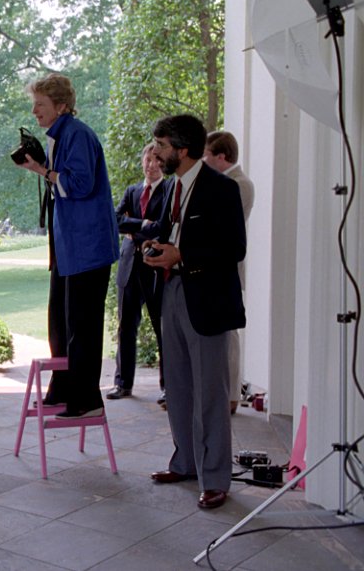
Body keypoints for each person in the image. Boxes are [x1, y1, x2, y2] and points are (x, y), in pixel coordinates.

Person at [143, 114, 246, 510]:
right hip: (173, 292)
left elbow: (234, 248)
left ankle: (216, 478)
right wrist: (157, 247)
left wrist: (183, 254)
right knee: (180, 387)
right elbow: (176, 233)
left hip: (208, 301)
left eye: (162, 145)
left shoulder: (223, 189)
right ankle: (184, 462)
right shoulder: (171, 187)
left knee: (210, 394)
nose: (155, 152)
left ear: (183, 150)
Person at [15, 73, 119, 419]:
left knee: (83, 326)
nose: (34, 111)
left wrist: (43, 172)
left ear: (61, 106)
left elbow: (79, 184)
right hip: (68, 246)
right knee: (60, 323)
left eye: (40, 105)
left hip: (88, 247)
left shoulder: (77, 134)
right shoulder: (58, 137)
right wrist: (40, 168)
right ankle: (62, 389)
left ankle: (87, 399)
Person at [109, 144, 167, 402]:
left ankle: (169, 388)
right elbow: (115, 219)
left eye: (157, 160)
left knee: (162, 329)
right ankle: (123, 384)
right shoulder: (132, 191)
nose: (151, 164)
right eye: (147, 158)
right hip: (130, 266)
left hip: (156, 269)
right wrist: (144, 224)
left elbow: (162, 228)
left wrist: (137, 229)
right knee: (126, 327)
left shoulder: (170, 191)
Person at [203, 131, 255, 414]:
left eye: (207, 155)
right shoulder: (226, 183)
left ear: (221, 157)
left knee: (228, 334)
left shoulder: (240, 184)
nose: (203, 161)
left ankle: (232, 394)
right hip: (217, 268)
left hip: (227, 269)